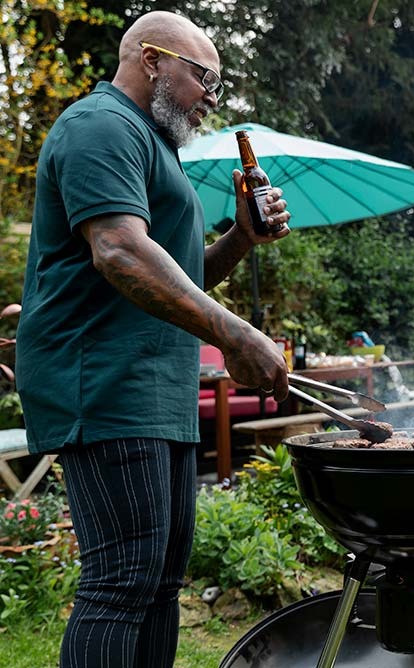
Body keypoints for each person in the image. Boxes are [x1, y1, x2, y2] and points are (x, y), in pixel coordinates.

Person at [16, 11, 291, 666]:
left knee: (160, 585)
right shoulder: (99, 125)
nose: (213, 99)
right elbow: (119, 253)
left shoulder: (154, 146)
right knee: (121, 585)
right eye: (205, 78)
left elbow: (181, 278)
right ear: (149, 59)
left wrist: (241, 240)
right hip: (104, 382)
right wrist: (236, 335)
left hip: (154, 391)